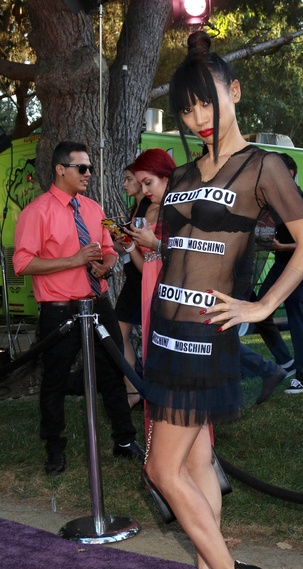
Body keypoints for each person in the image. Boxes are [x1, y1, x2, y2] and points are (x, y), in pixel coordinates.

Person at [142, 31, 303, 569]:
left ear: (234, 91)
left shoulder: (261, 166)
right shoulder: (184, 172)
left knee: (160, 468)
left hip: (207, 336)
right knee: (195, 466)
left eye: (206, 102)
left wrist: (264, 304)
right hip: (165, 332)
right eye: (186, 108)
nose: (198, 117)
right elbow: (183, 247)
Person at [12, 141, 144, 476]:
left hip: (99, 304)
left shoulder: (93, 208)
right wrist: (74, 261)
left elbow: (108, 249)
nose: (88, 174)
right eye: (81, 168)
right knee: (54, 380)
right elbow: (22, 263)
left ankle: (125, 440)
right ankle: (54, 449)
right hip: (60, 310)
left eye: (90, 168)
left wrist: (106, 267)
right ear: (60, 169)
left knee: (113, 372)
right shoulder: (37, 211)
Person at [117, 148, 177, 440]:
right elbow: (146, 266)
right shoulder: (148, 207)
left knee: (171, 360)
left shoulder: (180, 208)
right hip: (148, 285)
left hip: (172, 289)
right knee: (153, 357)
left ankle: (177, 431)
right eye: (140, 183)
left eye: (147, 182)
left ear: (166, 176)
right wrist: (130, 245)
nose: (144, 189)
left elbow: (190, 257)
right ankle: (159, 432)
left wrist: (154, 244)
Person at [254, 152, 303, 394]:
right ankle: (287, 363)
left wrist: (282, 247)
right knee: (259, 312)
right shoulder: (277, 202)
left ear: (289, 174)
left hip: (299, 267)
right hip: (280, 266)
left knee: (296, 320)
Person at [114, 164, 150, 409]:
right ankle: (133, 388)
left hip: (144, 278)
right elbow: (129, 249)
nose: (125, 184)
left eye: (129, 179)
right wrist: (115, 240)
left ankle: (138, 389)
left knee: (141, 336)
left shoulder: (150, 208)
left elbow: (145, 250)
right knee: (119, 333)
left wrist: (127, 243)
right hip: (133, 278)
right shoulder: (134, 209)